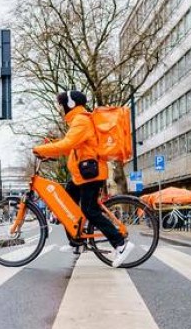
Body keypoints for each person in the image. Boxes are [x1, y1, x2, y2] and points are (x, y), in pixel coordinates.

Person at [33, 90, 134, 267]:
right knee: (65, 204)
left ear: (70, 104)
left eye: (61, 105)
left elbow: (67, 144)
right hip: (81, 175)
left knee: (90, 210)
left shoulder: (81, 120)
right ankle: (77, 242)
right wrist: (50, 151)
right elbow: (68, 148)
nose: (60, 109)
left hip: (91, 175)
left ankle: (120, 243)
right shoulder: (76, 121)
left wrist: (41, 149)